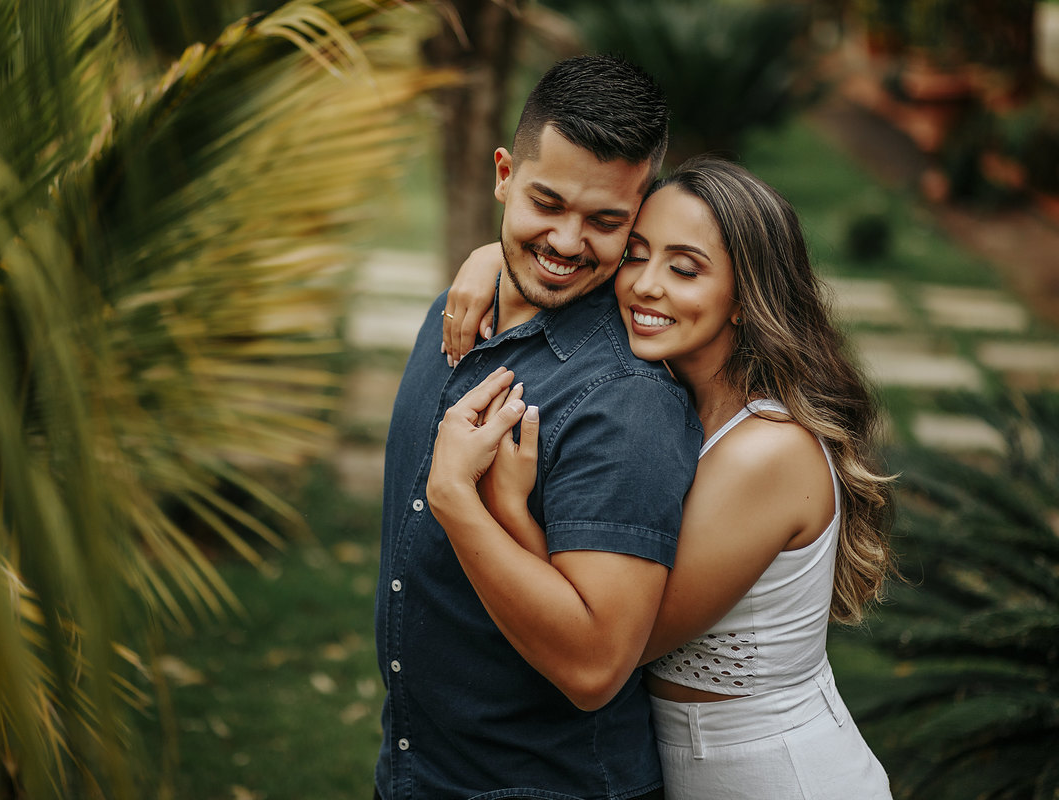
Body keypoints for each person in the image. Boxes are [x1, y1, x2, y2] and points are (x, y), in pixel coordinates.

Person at [433, 155, 896, 799]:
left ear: (746, 299)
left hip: (779, 777)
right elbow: (566, 262)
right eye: (637, 255)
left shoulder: (765, 454)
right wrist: (492, 259)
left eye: (685, 269)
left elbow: (599, 647)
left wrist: (498, 507)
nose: (644, 286)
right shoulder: (677, 388)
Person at [374, 54, 703, 800]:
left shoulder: (626, 402)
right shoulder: (454, 314)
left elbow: (594, 668)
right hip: (418, 771)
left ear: (639, 212)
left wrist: (458, 500)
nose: (565, 241)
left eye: (605, 221)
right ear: (503, 173)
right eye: (545, 202)